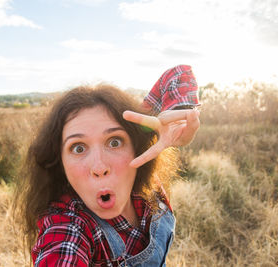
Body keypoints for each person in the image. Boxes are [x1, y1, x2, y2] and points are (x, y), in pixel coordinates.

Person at [15, 65, 200, 266]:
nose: (99, 166)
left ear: (135, 146)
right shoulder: (68, 226)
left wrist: (180, 116)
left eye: (114, 142)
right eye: (78, 148)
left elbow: (178, 74)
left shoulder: (146, 183)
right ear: (60, 163)